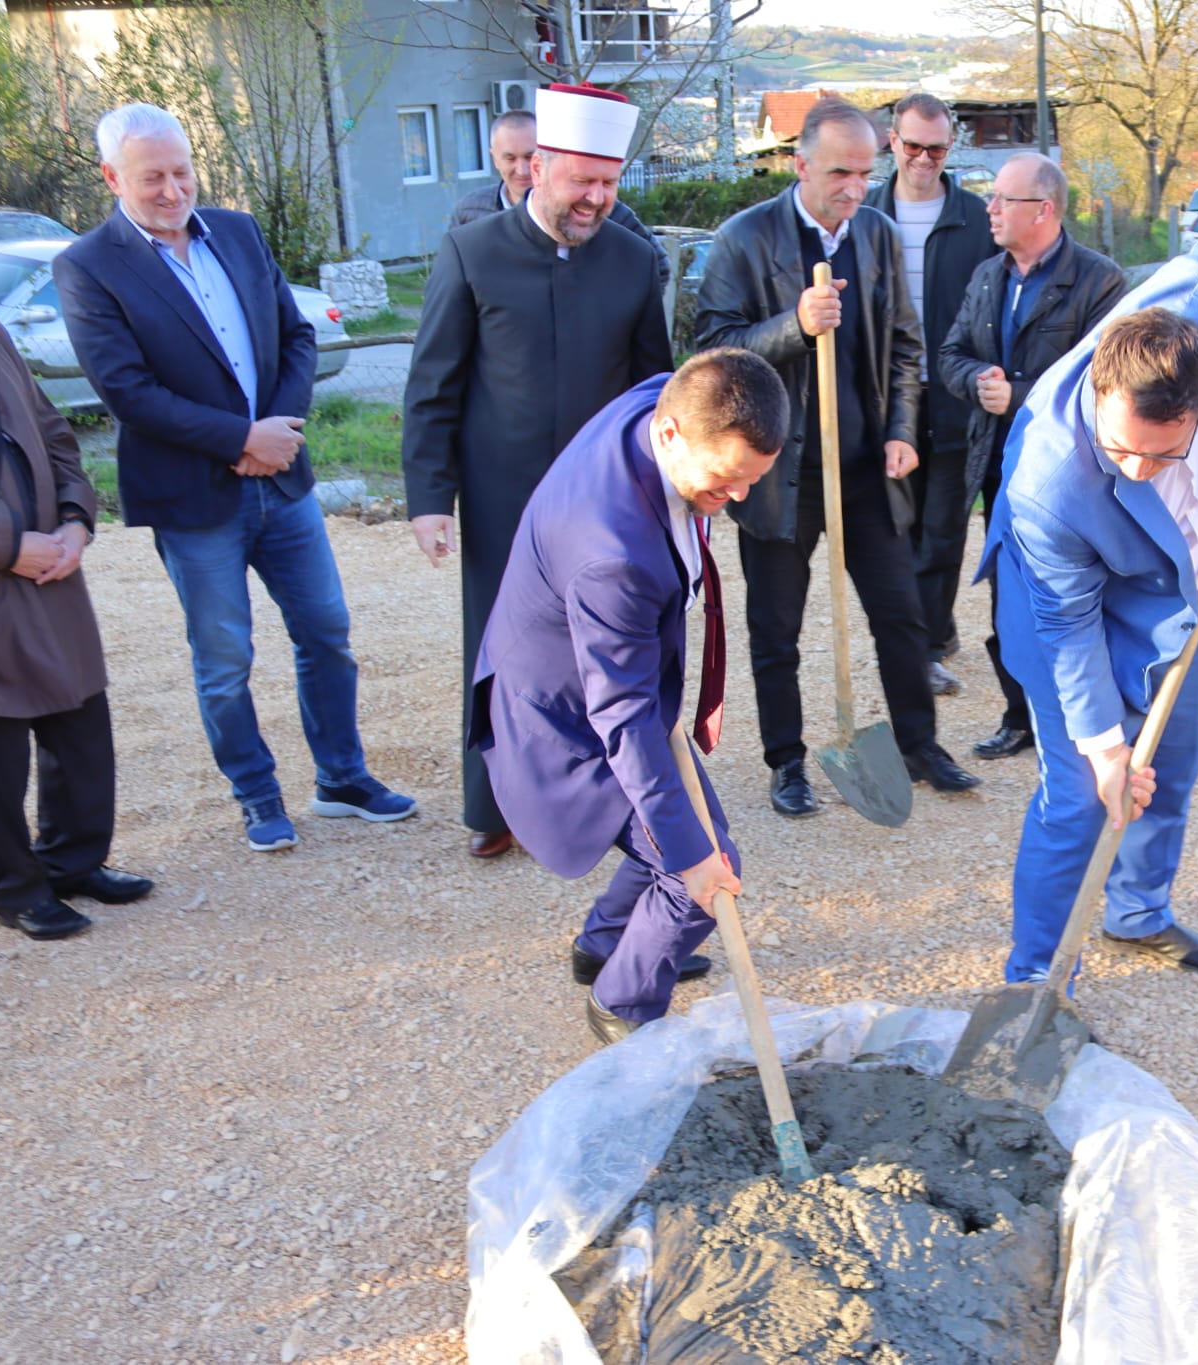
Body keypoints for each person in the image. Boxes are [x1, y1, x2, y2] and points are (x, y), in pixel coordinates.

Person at [980, 181, 1198, 983]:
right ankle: (1038, 980)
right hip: (1064, 603)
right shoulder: (1050, 481)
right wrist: (1105, 748)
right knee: (1083, 797)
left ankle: (1137, 910)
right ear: (1101, 391)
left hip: (1179, 582)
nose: (1137, 469)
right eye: (1122, 449)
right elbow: (1070, 631)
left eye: (1164, 454)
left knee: (1169, 756)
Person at [56, 103, 416, 853]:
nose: (171, 189)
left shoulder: (241, 232)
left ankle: (342, 779)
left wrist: (277, 434)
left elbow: (295, 335)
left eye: (181, 171)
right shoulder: (88, 266)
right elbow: (126, 390)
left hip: (282, 484)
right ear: (111, 177)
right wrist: (240, 439)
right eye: (151, 177)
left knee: (327, 633)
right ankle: (256, 794)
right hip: (195, 500)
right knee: (225, 659)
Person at [470, 349, 788, 1043]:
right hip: (564, 715)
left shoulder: (664, 399)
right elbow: (626, 718)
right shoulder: (612, 550)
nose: (738, 498)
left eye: (752, 480)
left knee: (692, 853)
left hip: (602, 677)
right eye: (726, 479)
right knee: (705, 868)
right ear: (671, 435)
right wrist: (691, 855)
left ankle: (605, 941)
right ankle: (622, 1002)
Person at [404, 83, 674, 860]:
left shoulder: (634, 259)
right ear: (540, 167)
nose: (596, 198)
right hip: (500, 496)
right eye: (581, 180)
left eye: (609, 182)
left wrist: (667, 488)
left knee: (606, 649)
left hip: (604, 499)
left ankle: (598, 802)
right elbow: (433, 383)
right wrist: (430, 497)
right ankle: (494, 806)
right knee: (499, 651)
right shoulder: (472, 251)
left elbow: (654, 387)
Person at [695, 97, 979, 818]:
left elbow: (907, 344)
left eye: (864, 171)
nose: (854, 187)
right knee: (776, 630)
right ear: (800, 165)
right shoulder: (744, 240)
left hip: (863, 470)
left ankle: (918, 743)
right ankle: (786, 762)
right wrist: (794, 325)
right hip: (777, 474)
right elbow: (710, 351)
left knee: (903, 615)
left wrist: (903, 430)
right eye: (838, 173)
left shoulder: (878, 235)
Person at [0, 181, 153, 941]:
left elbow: (53, 434)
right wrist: (12, 545)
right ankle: (15, 887)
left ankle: (74, 860)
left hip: (52, 565)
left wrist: (76, 521)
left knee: (81, 719)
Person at [939, 151, 1127, 761]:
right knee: (1009, 600)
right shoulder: (988, 275)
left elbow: (1108, 383)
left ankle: (1090, 723)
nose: (989, 209)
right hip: (1001, 469)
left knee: (1073, 599)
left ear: (1043, 210)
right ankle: (1022, 718)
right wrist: (977, 384)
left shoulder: (1102, 283)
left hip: (1071, 480)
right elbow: (951, 355)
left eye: (1002, 199)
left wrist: (1015, 395)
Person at [861, 93, 996, 695]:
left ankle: (924, 648)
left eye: (936, 148)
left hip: (953, 400)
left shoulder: (975, 220)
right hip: (886, 402)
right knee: (897, 531)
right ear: (892, 141)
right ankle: (922, 635)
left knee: (943, 532)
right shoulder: (864, 216)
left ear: (950, 147)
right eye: (912, 145)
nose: (922, 158)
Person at [446, 106, 672, 296]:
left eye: (528, 156)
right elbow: (455, 289)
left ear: (542, 160)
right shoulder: (470, 213)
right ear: (494, 157)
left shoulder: (597, 210)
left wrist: (610, 315)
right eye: (510, 158)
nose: (521, 169)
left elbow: (658, 268)